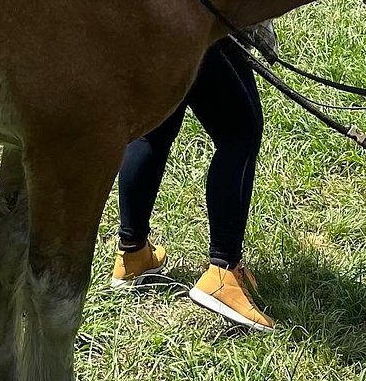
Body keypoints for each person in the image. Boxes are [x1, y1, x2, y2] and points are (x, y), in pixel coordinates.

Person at [110, 34, 273, 332]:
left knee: (154, 129)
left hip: (147, 17)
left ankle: (132, 255)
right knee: (240, 132)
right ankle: (224, 272)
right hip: (199, 17)